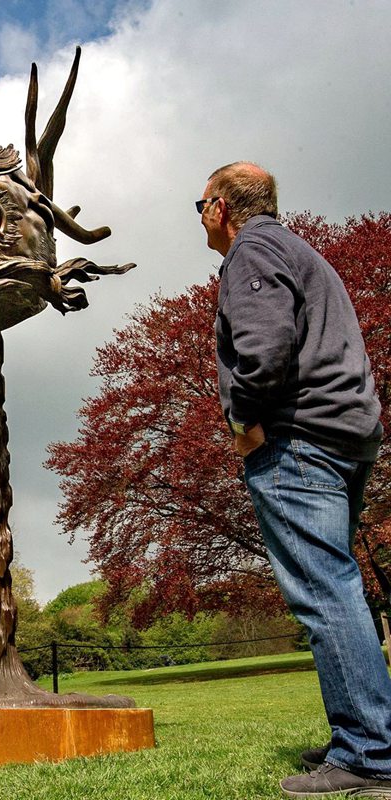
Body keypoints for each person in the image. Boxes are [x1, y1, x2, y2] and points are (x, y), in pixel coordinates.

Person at [198, 162, 391, 798]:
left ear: (221, 207)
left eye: (199, 205)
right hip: (347, 436)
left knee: (324, 591)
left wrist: (243, 421)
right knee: (338, 586)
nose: (199, 217)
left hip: (299, 439)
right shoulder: (298, 249)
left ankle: (368, 755)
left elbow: (265, 350)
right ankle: (369, 734)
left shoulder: (252, 252)